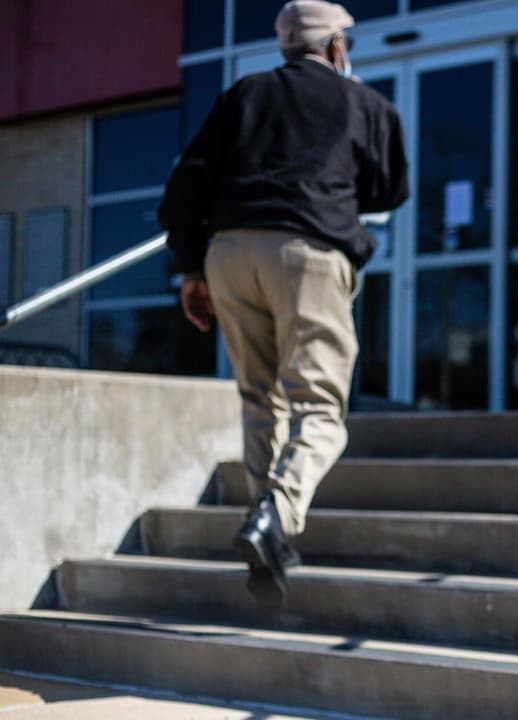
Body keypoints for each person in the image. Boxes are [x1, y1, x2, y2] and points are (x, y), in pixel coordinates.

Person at [158, 0, 409, 606]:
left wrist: (191, 269)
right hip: (309, 253)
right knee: (319, 408)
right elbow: (390, 189)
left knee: (259, 397)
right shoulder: (363, 103)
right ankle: (276, 515)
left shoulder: (243, 95)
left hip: (229, 254)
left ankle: (270, 533)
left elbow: (185, 186)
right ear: (337, 47)